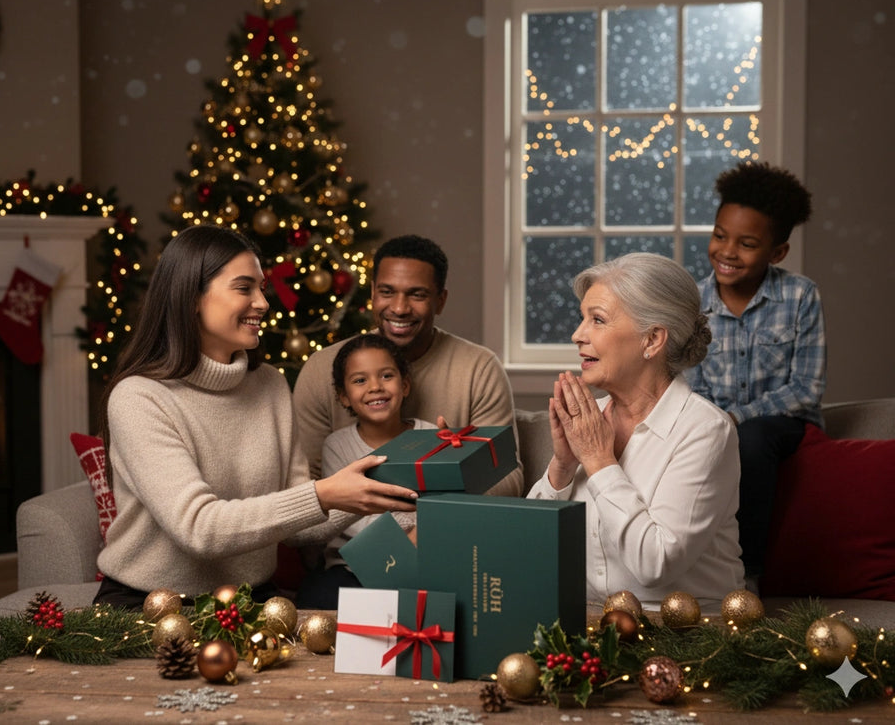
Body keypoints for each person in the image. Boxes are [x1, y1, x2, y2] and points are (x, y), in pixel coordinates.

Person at [92, 226, 418, 610]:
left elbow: (303, 523)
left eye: (261, 288)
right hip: (152, 604)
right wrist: (325, 493)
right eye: (244, 288)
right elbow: (199, 528)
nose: (263, 303)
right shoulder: (139, 397)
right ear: (192, 297)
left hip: (252, 601)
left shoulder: (269, 385)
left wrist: (381, 490)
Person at [528, 252, 744, 607]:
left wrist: (598, 460)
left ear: (652, 340)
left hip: (687, 638)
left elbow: (655, 564)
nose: (577, 335)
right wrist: (563, 468)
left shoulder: (706, 431)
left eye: (597, 320)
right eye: (582, 319)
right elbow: (526, 551)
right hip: (593, 633)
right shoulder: (589, 419)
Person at [292, 234, 522, 496]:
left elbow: (508, 478)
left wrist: (453, 474)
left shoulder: (480, 370)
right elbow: (305, 482)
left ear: (441, 300)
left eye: (417, 294)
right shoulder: (323, 368)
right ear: (372, 293)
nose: (400, 309)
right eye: (387, 292)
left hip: (443, 528)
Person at [684, 161, 824, 582]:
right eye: (720, 236)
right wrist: (715, 422)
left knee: (751, 438)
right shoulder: (694, 301)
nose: (727, 251)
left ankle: (748, 577)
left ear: (776, 252)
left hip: (782, 426)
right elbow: (694, 385)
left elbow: (807, 388)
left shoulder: (799, 295)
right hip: (715, 423)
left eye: (746, 243)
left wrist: (736, 418)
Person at [298, 334, 434, 607]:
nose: (375, 387)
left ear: (405, 385)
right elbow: (348, 516)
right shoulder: (338, 445)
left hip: (421, 562)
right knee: (316, 597)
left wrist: (420, 534)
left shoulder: (430, 436)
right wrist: (410, 527)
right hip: (351, 567)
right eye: (360, 380)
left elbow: (443, 507)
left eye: (386, 376)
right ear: (344, 396)